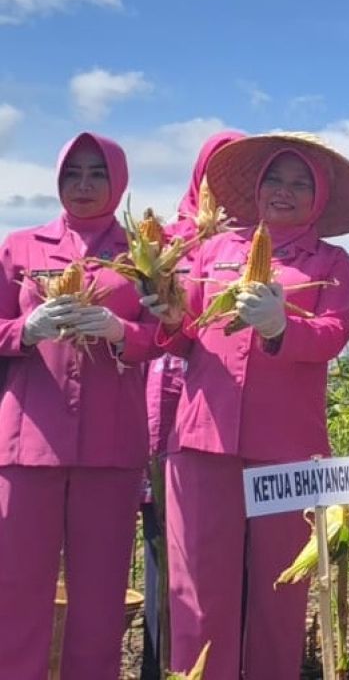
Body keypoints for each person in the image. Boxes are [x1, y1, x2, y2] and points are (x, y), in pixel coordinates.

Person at [147, 132, 349, 680]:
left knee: (281, 590)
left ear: (318, 199)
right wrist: (170, 318)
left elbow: (334, 334)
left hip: (289, 450)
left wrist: (279, 327)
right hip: (203, 439)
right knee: (199, 588)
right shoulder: (212, 251)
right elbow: (183, 332)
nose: (284, 193)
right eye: (275, 179)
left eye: (300, 185)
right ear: (255, 188)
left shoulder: (336, 264)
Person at [0, 132, 159, 680]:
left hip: (110, 446)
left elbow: (170, 334)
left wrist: (124, 333)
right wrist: (26, 329)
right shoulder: (20, 247)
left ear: (118, 181)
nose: (85, 185)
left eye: (97, 173)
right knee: (16, 591)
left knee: (100, 597)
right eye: (74, 173)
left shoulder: (144, 255)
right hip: (27, 441)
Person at [141, 129, 245, 680]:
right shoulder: (171, 241)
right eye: (217, 172)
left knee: (232, 557)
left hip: (229, 419)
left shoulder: (257, 242)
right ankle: (164, 664)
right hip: (175, 418)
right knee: (171, 551)